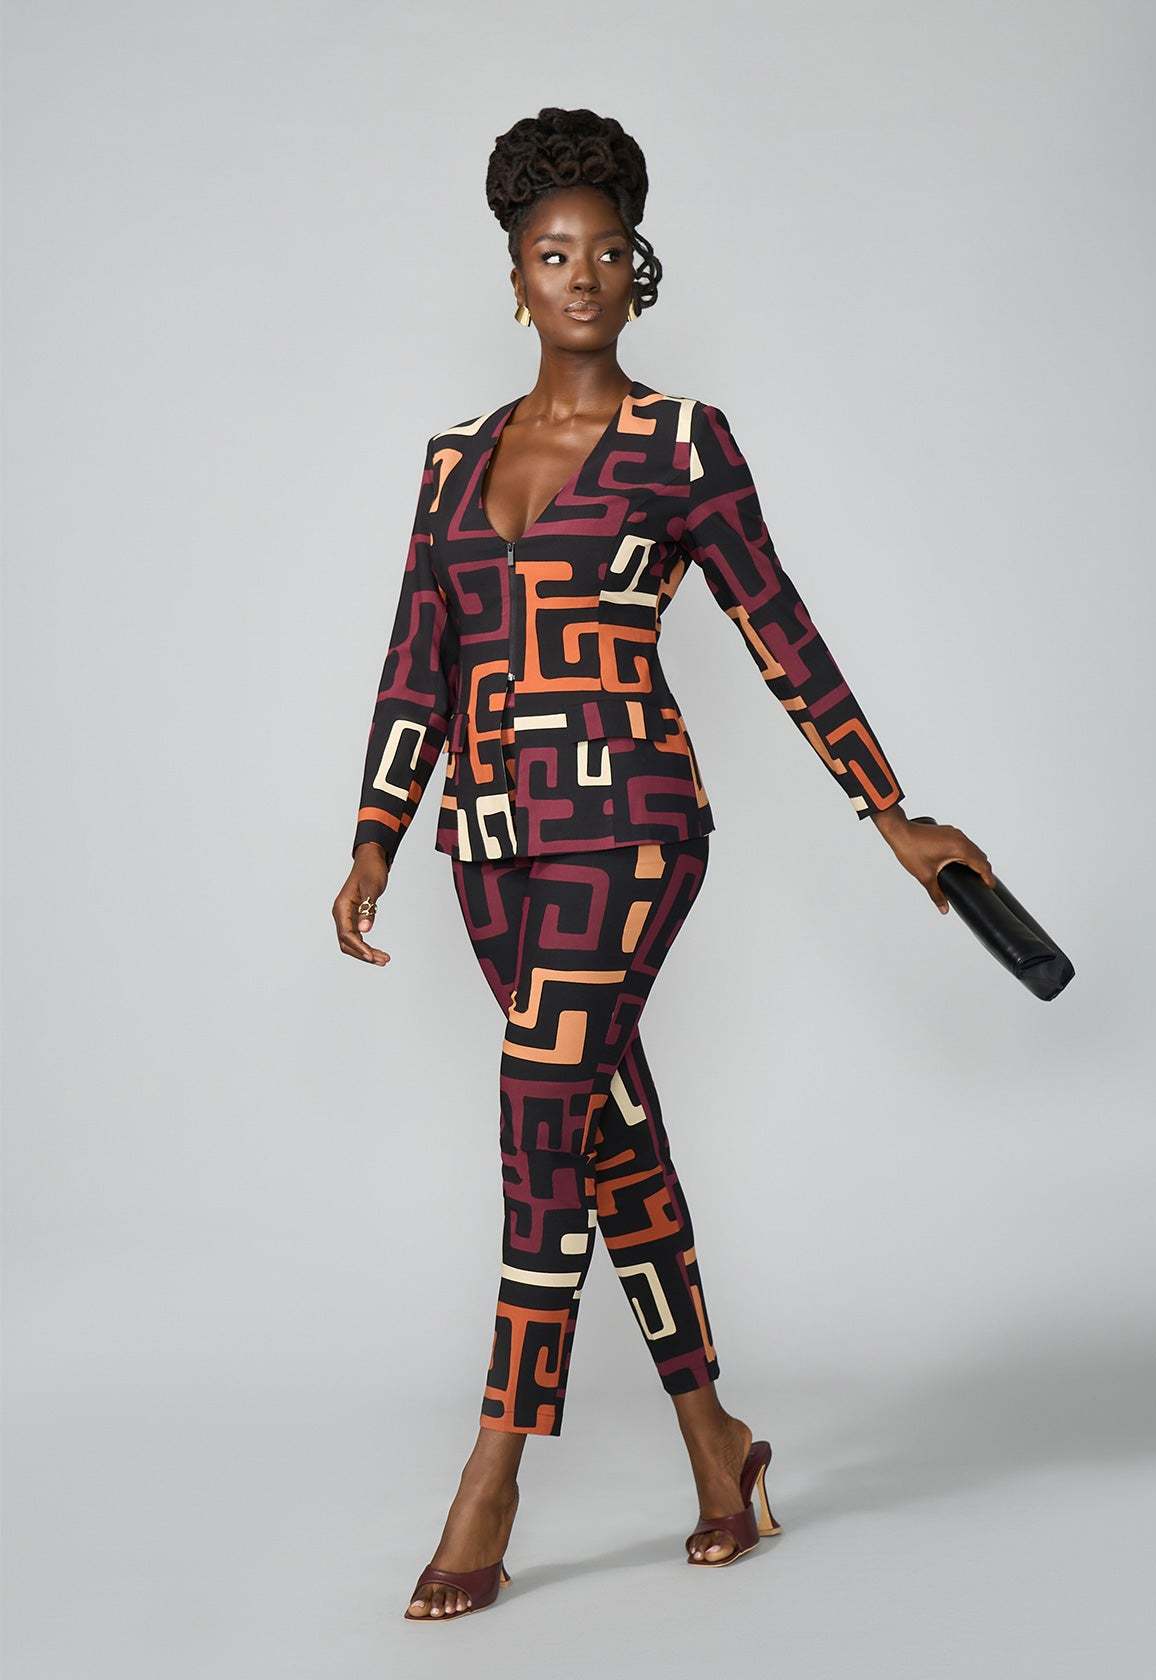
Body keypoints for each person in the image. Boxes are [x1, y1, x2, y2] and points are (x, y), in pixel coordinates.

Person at [331, 106, 995, 1622]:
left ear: (641, 271)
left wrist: (888, 810)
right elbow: (419, 657)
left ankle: (493, 1471)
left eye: (608, 250)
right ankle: (717, 1449)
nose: (583, 275)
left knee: (535, 1111)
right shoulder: (451, 463)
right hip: (486, 844)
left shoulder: (681, 442)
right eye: (551, 252)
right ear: (514, 278)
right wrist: (375, 831)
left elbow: (778, 627)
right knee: (601, 1126)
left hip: (629, 823)